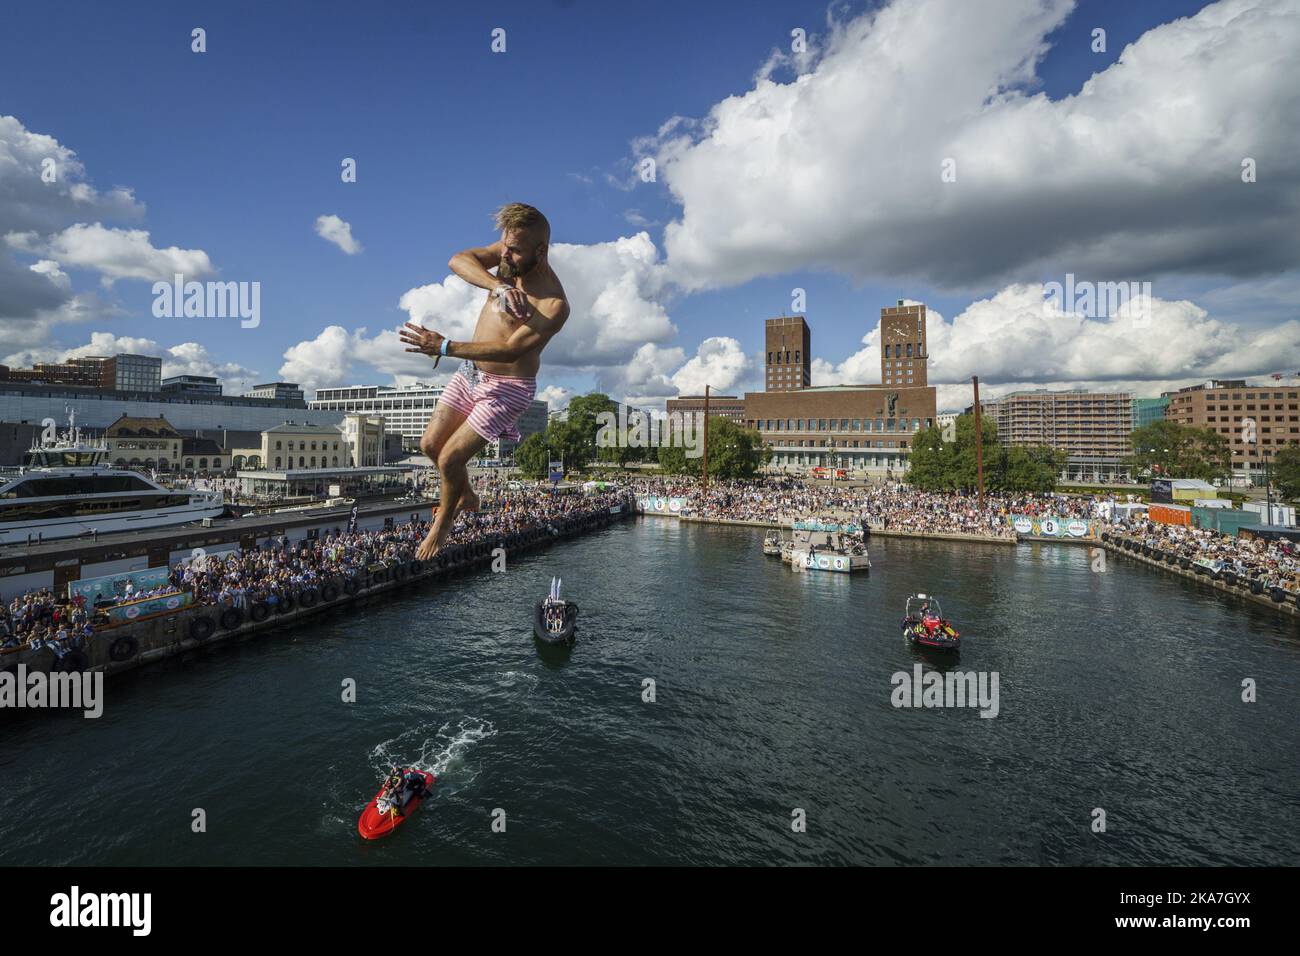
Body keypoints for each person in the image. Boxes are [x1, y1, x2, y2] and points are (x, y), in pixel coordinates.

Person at [401, 203, 570, 561]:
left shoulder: (553, 303)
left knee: (449, 460)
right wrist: (498, 286)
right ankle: (465, 494)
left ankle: (443, 525)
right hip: (471, 373)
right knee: (429, 444)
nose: (505, 255)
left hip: (507, 390)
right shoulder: (506, 259)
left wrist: (444, 346)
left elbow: (510, 351)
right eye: (504, 246)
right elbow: (457, 260)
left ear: (541, 251)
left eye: (515, 250)